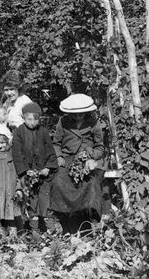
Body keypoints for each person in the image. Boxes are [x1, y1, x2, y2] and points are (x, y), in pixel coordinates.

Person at [49, 93, 107, 232]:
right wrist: (59, 157)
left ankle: (92, 218)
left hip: (87, 159)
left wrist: (92, 158)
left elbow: (100, 147)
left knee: (91, 183)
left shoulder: (94, 122)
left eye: (81, 114)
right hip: (67, 159)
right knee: (58, 181)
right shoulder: (63, 122)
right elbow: (56, 143)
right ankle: (64, 218)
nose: (78, 116)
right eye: (75, 114)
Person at [11, 102, 57, 238]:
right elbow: (17, 154)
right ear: (24, 118)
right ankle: (35, 232)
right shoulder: (19, 132)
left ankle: (51, 232)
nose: (32, 122)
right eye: (29, 119)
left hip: (42, 176)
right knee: (31, 203)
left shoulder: (43, 132)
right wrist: (25, 171)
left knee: (45, 202)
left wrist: (48, 167)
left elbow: (50, 151)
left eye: (35, 119)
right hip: (28, 176)